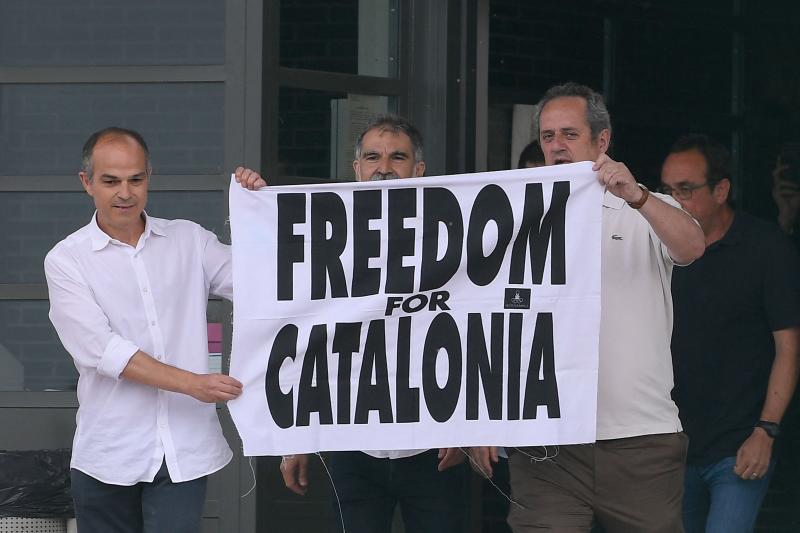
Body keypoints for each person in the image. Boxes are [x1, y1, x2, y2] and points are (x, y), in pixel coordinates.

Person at [470, 82, 705, 532]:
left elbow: (693, 246)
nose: (557, 145)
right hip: (546, 440)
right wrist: (483, 416)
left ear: (602, 140)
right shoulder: (514, 218)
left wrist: (637, 196)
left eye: (569, 134)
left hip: (639, 439)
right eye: (548, 136)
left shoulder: (647, 207)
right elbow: (488, 318)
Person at [45, 126, 265, 533]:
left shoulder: (189, 240)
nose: (125, 193)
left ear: (149, 177)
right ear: (86, 182)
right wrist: (193, 384)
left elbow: (262, 284)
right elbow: (102, 350)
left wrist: (260, 211)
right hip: (108, 453)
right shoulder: (66, 260)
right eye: (111, 181)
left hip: (183, 449)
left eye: (135, 179)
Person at [276, 114, 470, 533]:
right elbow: (305, 334)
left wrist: (469, 426)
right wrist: (296, 438)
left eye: (397, 157)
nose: (384, 167)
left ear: (418, 169)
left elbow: (479, 327)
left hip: (435, 442)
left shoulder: (453, 236)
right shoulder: (322, 241)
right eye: (372, 157)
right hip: (352, 444)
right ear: (357, 168)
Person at [661, 134, 800, 532]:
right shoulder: (657, 248)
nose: (673, 201)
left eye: (685, 190)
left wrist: (766, 431)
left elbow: (789, 347)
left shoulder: (766, 248)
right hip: (672, 444)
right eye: (666, 191)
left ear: (721, 190)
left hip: (740, 443)